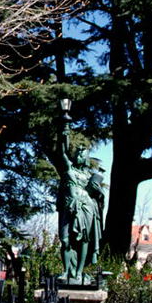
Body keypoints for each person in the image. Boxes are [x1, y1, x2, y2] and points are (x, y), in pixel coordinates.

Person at [57, 121, 106, 284]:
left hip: (86, 207)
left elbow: (98, 195)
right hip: (69, 206)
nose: (78, 156)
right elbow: (62, 152)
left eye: (81, 154)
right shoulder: (69, 170)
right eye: (77, 153)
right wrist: (64, 132)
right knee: (65, 240)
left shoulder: (90, 176)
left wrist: (97, 190)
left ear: (86, 159)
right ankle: (66, 271)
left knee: (84, 239)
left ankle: (78, 272)